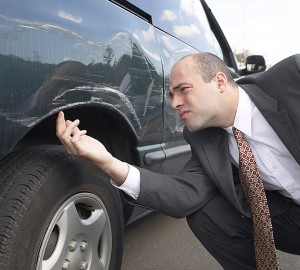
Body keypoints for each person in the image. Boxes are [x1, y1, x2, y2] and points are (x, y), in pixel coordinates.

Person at [56, 52, 300, 269]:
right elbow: (185, 195)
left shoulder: (293, 76)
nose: (174, 103)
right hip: (292, 219)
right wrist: (108, 161)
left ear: (219, 82)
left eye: (184, 89)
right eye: (172, 95)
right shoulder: (202, 136)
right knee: (207, 213)